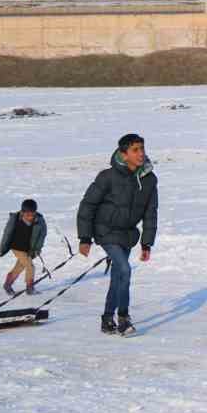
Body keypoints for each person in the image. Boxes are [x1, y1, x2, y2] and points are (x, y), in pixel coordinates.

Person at [77, 133, 158, 337]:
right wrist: (85, 238)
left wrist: (146, 243)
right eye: (135, 150)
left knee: (118, 277)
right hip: (105, 231)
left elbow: (150, 213)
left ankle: (106, 319)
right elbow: (88, 205)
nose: (141, 154)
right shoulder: (108, 176)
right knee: (125, 269)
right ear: (124, 154)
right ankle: (123, 318)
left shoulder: (149, 179)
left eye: (142, 149)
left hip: (128, 235)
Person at [0, 198, 47, 296]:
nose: (30, 217)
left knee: (20, 267)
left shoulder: (39, 221)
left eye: (32, 215)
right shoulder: (16, 219)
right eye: (27, 215)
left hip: (28, 249)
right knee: (30, 266)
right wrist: (4, 245)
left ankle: (7, 284)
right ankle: (30, 288)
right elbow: (7, 232)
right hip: (16, 247)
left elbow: (41, 236)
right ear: (22, 212)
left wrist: (37, 249)